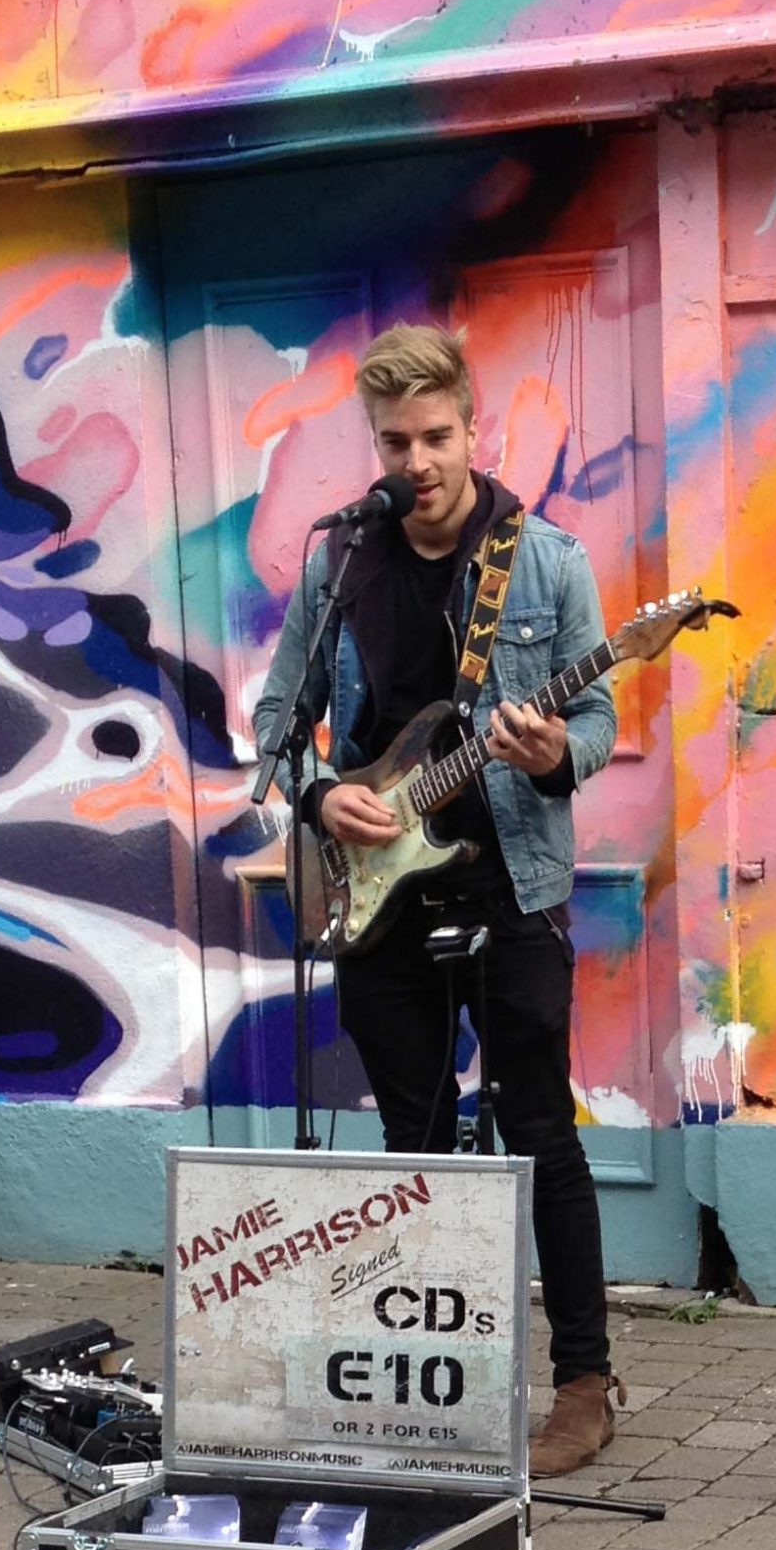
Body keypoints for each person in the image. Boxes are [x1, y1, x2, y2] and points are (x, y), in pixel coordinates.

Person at [253, 322, 625, 1477]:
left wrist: (554, 748)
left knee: (541, 1134)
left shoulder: (547, 560)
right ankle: (424, 1381)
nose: (416, 459)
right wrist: (321, 801)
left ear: (476, 428)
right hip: (377, 895)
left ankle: (582, 1379)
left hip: (514, 882)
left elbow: (603, 728)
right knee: (406, 1144)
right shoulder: (340, 562)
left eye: (436, 435)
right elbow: (274, 728)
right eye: (395, 439)